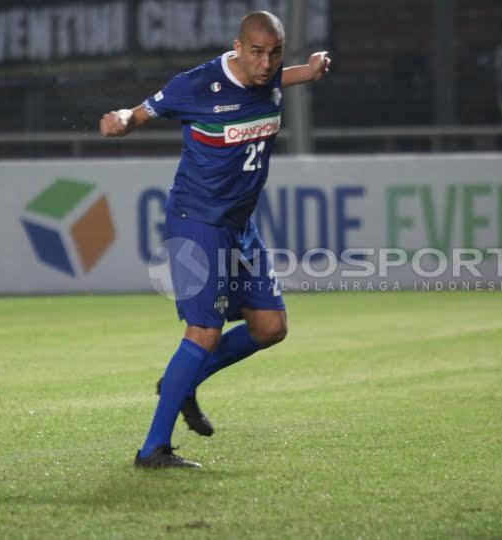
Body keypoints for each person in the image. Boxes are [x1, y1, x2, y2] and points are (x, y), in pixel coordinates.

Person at [99, 11, 331, 468]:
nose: (267, 63)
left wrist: (311, 69)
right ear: (238, 47)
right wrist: (122, 119)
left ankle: (181, 381)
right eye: (258, 52)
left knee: (270, 328)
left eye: (275, 53)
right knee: (204, 332)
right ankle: (153, 450)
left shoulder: (272, 78)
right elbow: (143, 111)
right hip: (198, 223)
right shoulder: (199, 85)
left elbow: (285, 75)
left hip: (242, 226)